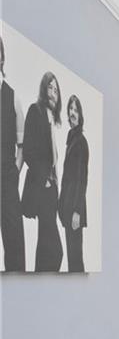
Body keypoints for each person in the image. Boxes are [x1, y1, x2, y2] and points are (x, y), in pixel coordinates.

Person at [22, 71, 63, 271]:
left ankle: (40, 283)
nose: (53, 93)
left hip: (52, 188)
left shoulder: (52, 121)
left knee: (45, 243)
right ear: (43, 88)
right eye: (50, 87)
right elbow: (28, 150)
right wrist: (45, 179)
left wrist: (54, 183)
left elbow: (53, 159)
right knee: (56, 250)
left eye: (56, 90)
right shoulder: (35, 111)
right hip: (41, 187)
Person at [0, 34, 26, 271]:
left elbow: (22, 145)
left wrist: (14, 172)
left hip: (6, 176)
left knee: (14, 242)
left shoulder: (12, 96)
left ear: (2, 58)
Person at [59, 95, 88, 272]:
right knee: (72, 257)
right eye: (70, 109)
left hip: (75, 209)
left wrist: (77, 211)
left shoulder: (81, 142)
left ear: (80, 114)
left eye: (76, 109)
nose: (72, 113)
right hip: (67, 206)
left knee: (75, 259)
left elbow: (82, 179)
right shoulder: (71, 139)